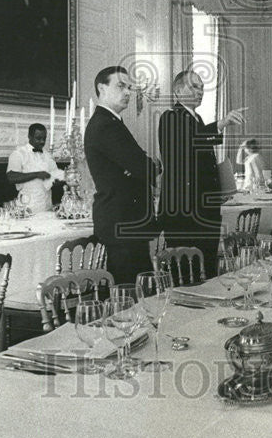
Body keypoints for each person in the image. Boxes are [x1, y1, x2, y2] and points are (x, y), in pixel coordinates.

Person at [158, 70, 246, 278]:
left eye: (202, 87)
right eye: (194, 86)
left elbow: (202, 163)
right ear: (178, 91)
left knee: (207, 267)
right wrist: (221, 123)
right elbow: (190, 144)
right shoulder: (170, 117)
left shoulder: (196, 118)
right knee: (187, 274)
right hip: (184, 213)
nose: (200, 91)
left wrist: (219, 190)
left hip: (204, 209)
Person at [84, 65, 157, 285]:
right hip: (122, 222)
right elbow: (144, 167)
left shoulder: (112, 122)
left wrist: (141, 165)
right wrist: (144, 165)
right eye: (121, 86)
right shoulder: (105, 125)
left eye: (129, 87)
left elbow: (140, 166)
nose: (128, 92)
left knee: (138, 292)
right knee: (129, 296)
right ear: (101, 88)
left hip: (127, 221)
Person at [6, 123, 65, 213]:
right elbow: (11, 177)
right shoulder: (19, 154)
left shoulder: (48, 155)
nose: (42, 142)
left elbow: (55, 176)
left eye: (44, 138)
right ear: (29, 136)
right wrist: (37, 174)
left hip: (46, 207)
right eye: (38, 138)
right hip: (26, 208)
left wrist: (61, 179)